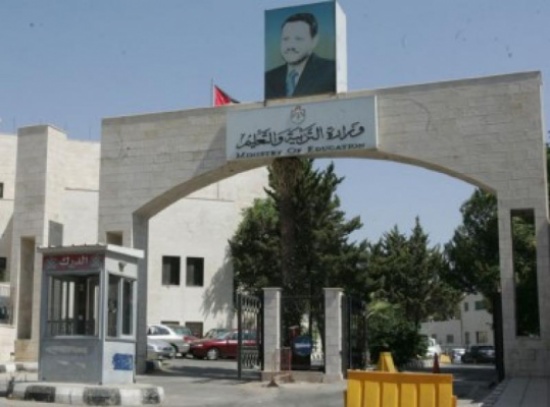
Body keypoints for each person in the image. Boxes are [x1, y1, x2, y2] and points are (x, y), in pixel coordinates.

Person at [265, 12, 336, 99]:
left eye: (298, 39)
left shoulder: (331, 71)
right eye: (285, 39)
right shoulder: (268, 78)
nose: (290, 46)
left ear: (314, 41)